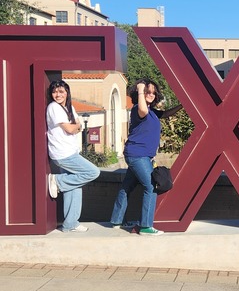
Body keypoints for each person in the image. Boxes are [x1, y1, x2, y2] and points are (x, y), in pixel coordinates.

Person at [109, 79, 182, 235]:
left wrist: (183, 106)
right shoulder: (138, 109)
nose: (151, 94)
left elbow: (167, 113)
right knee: (151, 186)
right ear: (139, 92)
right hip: (138, 155)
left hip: (139, 155)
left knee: (127, 187)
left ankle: (116, 221)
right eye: (147, 91)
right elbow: (142, 109)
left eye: (153, 92)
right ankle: (145, 226)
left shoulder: (152, 112)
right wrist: (141, 88)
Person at [45, 80, 101, 232]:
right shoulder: (54, 107)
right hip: (62, 153)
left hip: (70, 151)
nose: (58, 95)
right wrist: (75, 127)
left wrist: (75, 126)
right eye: (55, 92)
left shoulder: (69, 107)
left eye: (61, 91)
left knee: (75, 187)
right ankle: (57, 180)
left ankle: (70, 224)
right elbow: (72, 129)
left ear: (67, 92)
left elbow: (78, 125)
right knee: (93, 172)